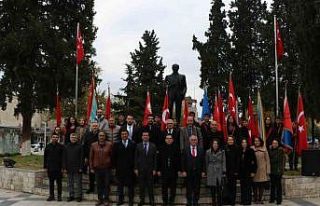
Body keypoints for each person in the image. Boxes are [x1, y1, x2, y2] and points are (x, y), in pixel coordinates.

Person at [112, 129, 136, 206]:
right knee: (120, 186)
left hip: (130, 168)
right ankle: (120, 200)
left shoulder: (133, 143)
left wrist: (135, 167)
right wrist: (115, 167)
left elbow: (135, 156)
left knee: (130, 186)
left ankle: (131, 201)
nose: (124, 135)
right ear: (121, 135)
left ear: (128, 134)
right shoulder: (116, 144)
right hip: (120, 168)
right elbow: (114, 157)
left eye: (125, 134)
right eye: (122, 134)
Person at [89, 131, 113, 206]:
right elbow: (91, 157)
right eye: (100, 135)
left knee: (106, 184)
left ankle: (106, 199)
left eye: (103, 135)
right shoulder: (93, 145)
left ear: (105, 136)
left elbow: (112, 156)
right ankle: (100, 199)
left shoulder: (109, 144)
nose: (101, 137)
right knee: (99, 184)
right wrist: (91, 167)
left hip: (107, 168)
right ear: (98, 136)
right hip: (97, 168)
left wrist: (112, 166)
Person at [134, 130, 157, 206]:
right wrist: (136, 168)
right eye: (144, 135)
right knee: (141, 186)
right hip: (141, 169)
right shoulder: (138, 146)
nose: (145, 136)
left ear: (149, 137)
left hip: (150, 170)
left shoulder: (153, 146)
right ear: (142, 137)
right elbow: (136, 158)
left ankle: (152, 201)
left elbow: (155, 159)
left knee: (150, 186)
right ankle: (142, 200)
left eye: (146, 135)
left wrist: (154, 169)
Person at [181, 135, 205, 206]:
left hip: (198, 172)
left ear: (197, 141)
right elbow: (183, 161)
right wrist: (183, 171)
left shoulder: (201, 149)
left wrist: (203, 171)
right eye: (192, 140)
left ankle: (195, 202)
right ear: (189, 141)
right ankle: (189, 202)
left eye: (195, 140)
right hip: (188, 172)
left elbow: (203, 161)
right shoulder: (185, 149)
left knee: (197, 188)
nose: (193, 141)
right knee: (189, 188)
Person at [157, 134, 181, 205]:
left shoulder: (176, 148)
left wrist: (179, 170)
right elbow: (158, 160)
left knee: (173, 188)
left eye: (170, 138)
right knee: (164, 188)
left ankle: (171, 201)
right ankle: (165, 201)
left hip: (173, 171)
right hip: (164, 171)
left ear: (172, 140)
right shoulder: (161, 148)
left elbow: (179, 160)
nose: (169, 140)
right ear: (165, 140)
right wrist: (158, 170)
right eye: (167, 138)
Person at [44, 133, 65, 201]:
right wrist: (45, 167)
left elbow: (63, 158)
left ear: (58, 138)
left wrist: (63, 168)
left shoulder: (61, 146)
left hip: (59, 168)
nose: (55, 138)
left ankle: (59, 196)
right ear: (51, 138)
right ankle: (51, 196)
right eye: (54, 137)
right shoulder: (48, 146)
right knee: (51, 183)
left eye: (56, 137)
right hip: (50, 168)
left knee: (59, 183)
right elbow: (45, 157)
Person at [63, 133, 83, 202]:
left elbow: (81, 158)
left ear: (77, 138)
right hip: (69, 167)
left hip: (78, 168)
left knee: (78, 183)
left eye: (75, 137)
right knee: (70, 182)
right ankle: (71, 195)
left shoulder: (80, 146)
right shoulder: (66, 146)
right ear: (70, 138)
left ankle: (79, 196)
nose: (73, 138)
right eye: (72, 137)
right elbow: (64, 158)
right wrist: (65, 168)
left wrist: (81, 167)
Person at [205, 138, 226, 206]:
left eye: (216, 144)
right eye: (214, 143)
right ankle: (213, 202)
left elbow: (224, 162)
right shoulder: (208, 152)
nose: (215, 145)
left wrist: (224, 171)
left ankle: (220, 203)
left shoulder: (222, 152)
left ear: (218, 145)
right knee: (212, 189)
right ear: (212, 144)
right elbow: (206, 162)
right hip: (211, 171)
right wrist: (206, 171)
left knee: (219, 189)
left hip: (219, 171)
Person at [252, 137, 270, 204]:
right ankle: (256, 199)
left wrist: (268, 170)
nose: (256, 142)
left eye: (258, 141)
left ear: (260, 142)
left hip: (262, 169)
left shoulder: (264, 149)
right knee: (255, 185)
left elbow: (267, 160)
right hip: (255, 170)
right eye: (255, 141)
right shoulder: (252, 149)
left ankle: (260, 199)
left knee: (261, 185)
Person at [239, 139, 257, 205]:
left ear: (247, 143)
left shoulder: (251, 151)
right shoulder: (239, 151)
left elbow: (254, 162)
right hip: (241, 172)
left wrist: (253, 171)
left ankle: (248, 201)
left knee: (248, 187)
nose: (244, 143)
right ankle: (243, 200)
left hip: (249, 172)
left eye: (245, 142)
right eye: (243, 142)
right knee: (242, 187)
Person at [83, 121, 99, 194]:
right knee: (91, 173)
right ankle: (91, 188)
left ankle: (99, 188)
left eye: (96, 126)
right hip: (90, 156)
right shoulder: (87, 134)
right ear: (91, 127)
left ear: (98, 127)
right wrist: (86, 157)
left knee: (98, 173)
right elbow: (85, 146)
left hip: (99, 156)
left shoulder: (101, 134)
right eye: (93, 126)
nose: (95, 127)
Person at [224, 136, 239, 205]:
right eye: (229, 140)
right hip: (226, 171)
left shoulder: (236, 148)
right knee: (227, 187)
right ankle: (228, 200)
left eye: (231, 140)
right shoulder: (225, 148)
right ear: (227, 141)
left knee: (233, 187)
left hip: (234, 171)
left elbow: (237, 161)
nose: (230, 141)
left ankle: (233, 201)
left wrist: (236, 170)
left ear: (233, 141)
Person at [269, 139, 285, 205]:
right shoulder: (270, 150)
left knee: (278, 187)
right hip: (272, 171)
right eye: (273, 143)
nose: (274, 144)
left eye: (276, 143)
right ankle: (272, 199)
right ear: (272, 144)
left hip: (278, 171)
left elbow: (278, 160)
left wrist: (281, 170)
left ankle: (279, 200)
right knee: (272, 186)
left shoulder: (280, 150)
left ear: (278, 144)